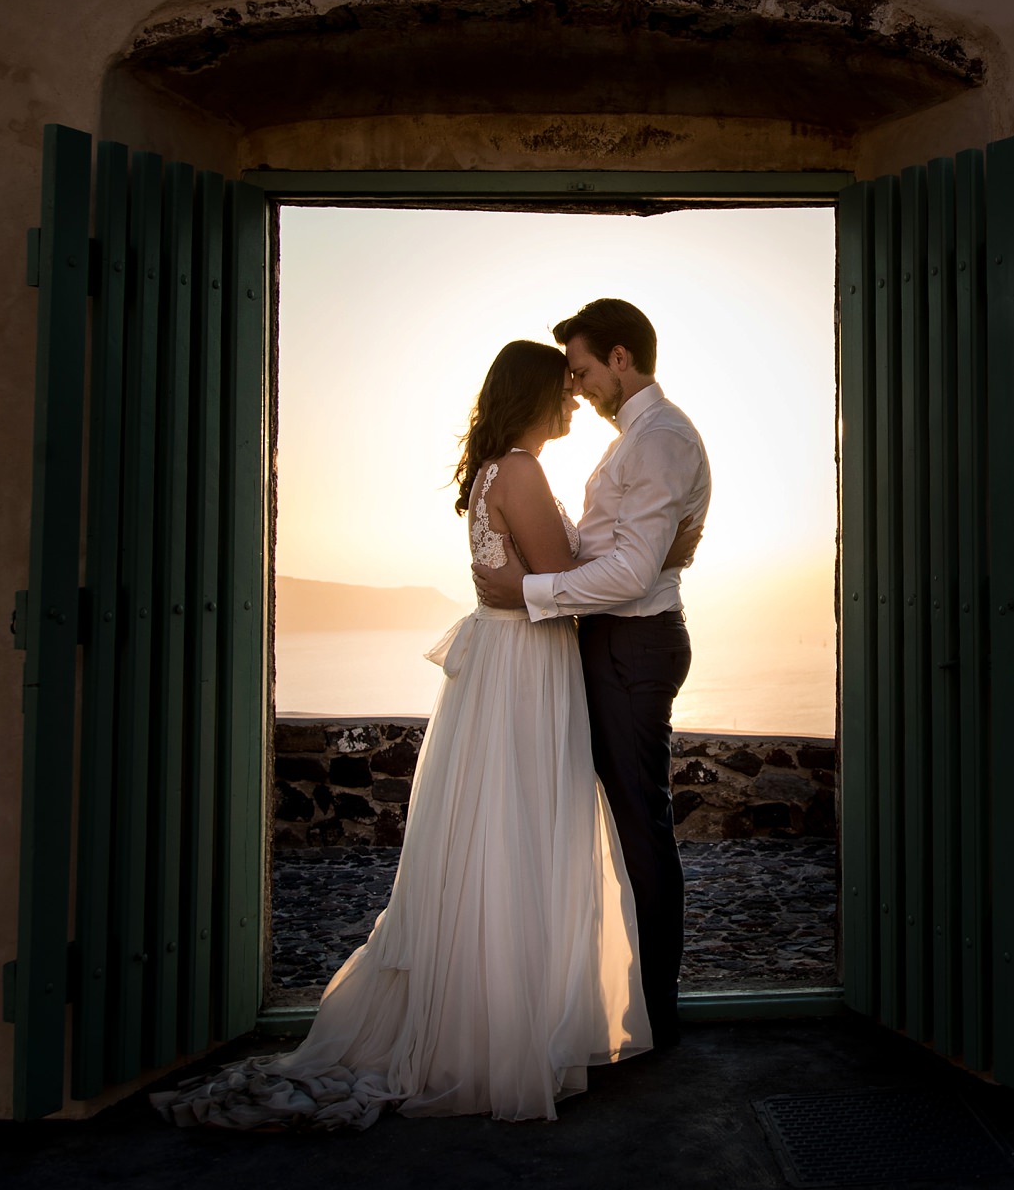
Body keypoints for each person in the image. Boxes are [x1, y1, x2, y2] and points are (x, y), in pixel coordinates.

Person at [153, 338, 695, 1129]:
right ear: (534, 395)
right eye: (565, 388)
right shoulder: (521, 469)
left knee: (494, 833)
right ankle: (506, 1030)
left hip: (505, 657)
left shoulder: (493, 470)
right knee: (521, 833)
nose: (575, 399)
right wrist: (644, 559)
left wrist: (593, 562)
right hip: (526, 664)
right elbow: (560, 583)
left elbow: (531, 576)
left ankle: (493, 1014)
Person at [474, 298, 711, 1055]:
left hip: (633, 648)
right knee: (620, 821)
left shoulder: (661, 438)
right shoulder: (632, 441)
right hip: (612, 639)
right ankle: (616, 1001)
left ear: (619, 357)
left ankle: (654, 1012)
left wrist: (531, 593)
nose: (573, 387)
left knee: (639, 823)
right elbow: (615, 549)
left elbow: (634, 569)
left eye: (580, 370)